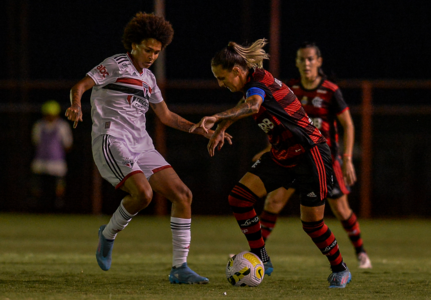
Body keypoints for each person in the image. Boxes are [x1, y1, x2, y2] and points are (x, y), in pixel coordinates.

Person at [65, 12, 230, 284]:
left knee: (183, 195)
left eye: (157, 51)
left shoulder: (149, 79)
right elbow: (80, 85)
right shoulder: (115, 64)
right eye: (148, 49)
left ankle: (179, 268)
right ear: (133, 44)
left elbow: (166, 116)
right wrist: (75, 105)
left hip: (141, 144)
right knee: (143, 193)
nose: (153, 55)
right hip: (112, 140)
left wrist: (199, 129)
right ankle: (107, 234)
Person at [190, 39, 351, 288]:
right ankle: (262, 258)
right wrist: (223, 126)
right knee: (239, 198)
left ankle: (340, 268)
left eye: (222, 78)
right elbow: (246, 103)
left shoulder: (259, 82)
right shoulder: (251, 83)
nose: (220, 84)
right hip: (282, 155)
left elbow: (253, 105)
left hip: (311, 154)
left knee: (312, 224)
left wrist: (215, 117)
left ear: (236, 71)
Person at [256, 42, 372, 269]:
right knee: (274, 201)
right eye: (301, 59)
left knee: (341, 210)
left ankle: (361, 252)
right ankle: (258, 252)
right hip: (294, 157)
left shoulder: (330, 90)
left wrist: (347, 158)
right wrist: (271, 147)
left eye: (310, 59)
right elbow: (278, 121)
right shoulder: (289, 87)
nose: (306, 63)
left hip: (324, 160)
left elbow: (348, 125)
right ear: (297, 63)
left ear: (319, 62)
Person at [30, 100, 73, 212]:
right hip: (41, 161)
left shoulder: (62, 126)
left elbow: (67, 144)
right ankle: (37, 206)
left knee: (58, 186)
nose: (50, 117)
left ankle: (58, 207)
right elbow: (36, 142)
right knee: (38, 184)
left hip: (57, 162)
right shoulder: (39, 126)